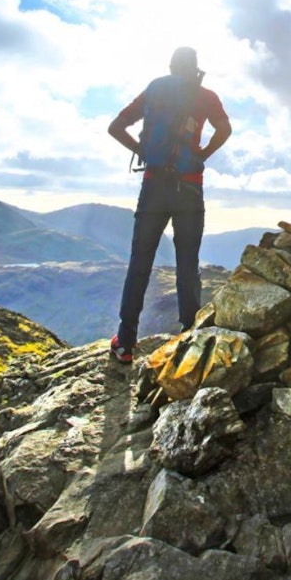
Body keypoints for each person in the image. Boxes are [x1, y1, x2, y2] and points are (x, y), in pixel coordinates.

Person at [106, 46, 231, 363]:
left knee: (140, 263)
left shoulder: (153, 89)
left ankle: (125, 343)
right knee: (187, 264)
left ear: (171, 66)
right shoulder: (206, 96)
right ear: (195, 68)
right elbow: (225, 130)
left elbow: (115, 127)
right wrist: (200, 156)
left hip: (154, 187)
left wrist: (144, 153)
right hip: (189, 188)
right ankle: (190, 336)